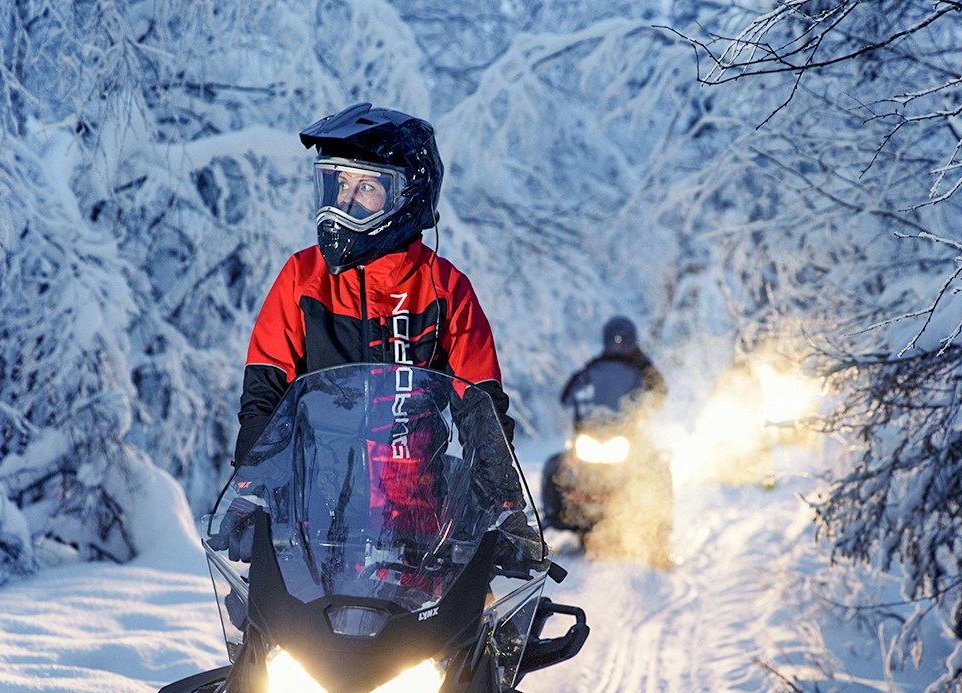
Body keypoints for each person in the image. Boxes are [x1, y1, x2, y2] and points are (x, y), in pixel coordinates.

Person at [234, 102, 514, 465]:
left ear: (406, 197)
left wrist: (497, 486)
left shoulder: (444, 288)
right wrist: (254, 481)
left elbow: (482, 407)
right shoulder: (303, 278)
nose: (344, 202)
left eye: (365, 186)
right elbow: (264, 395)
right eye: (340, 184)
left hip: (418, 496)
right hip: (317, 492)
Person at [559, 316, 666, 416]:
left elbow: (660, 389)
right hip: (601, 422)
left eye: (622, 342)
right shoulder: (595, 367)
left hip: (624, 423)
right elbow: (567, 396)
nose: (617, 345)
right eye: (614, 341)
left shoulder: (641, 367)